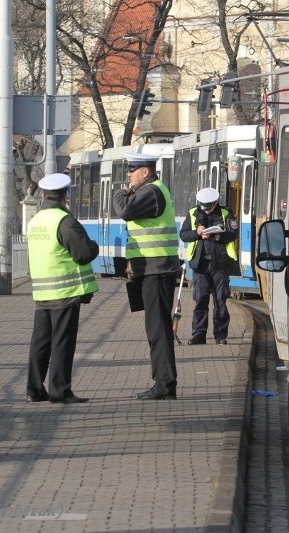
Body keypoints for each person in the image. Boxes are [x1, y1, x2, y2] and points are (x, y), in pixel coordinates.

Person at [112, 152, 181, 400]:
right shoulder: (151, 190)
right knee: (156, 326)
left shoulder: (151, 192)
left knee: (158, 328)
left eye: (133, 170)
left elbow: (125, 211)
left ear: (146, 171)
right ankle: (164, 381)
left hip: (157, 269)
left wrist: (119, 193)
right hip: (152, 269)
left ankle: (164, 383)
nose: (128, 175)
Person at [26, 173, 99, 404]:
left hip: (42, 292)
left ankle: (34, 390)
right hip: (64, 292)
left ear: (44, 195)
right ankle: (60, 390)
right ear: (64, 196)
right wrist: (94, 246)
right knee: (62, 342)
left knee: (40, 343)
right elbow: (83, 253)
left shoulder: (36, 221)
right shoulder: (64, 221)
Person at [178, 187, 238, 346]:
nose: (207, 210)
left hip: (220, 264)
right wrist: (197, 233)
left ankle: (220, 335)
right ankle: (199, 335)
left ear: (216, 202)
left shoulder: (226, 213)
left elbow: (233, 234)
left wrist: (216, 235)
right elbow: (183, 235)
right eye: (204, 206)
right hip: (200, 265)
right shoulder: (192, 213)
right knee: (200, 300)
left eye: (210, 207)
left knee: (220, 300)